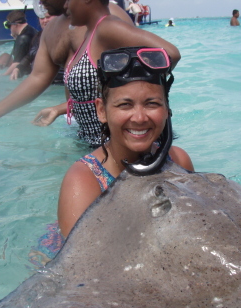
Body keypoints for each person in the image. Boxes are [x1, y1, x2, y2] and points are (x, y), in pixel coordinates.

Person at [58, 47, 194, 237]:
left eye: (152, 103)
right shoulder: (83, 180)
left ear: (167, 109)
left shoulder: (179, 160)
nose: (139, 118)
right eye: (125, 105)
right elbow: (75, 261)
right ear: (102, 111)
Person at [0, 1, 133, 133]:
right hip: (83, 131)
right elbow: (38, 77)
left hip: (122, 133)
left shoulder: (107, 17)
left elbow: (141, 74)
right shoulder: (51, 30)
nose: (41, 2)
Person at [60, 0, 181, 146]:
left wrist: (143, 88)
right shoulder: (90, 33)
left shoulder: (107, 28)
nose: (65, 5)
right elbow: (91, 94)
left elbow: (171, 54)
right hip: (98, 146)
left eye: (67, 0)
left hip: (121, 146)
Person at [9, 11, 59, 81]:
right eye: (41, 18)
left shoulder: (64, 36)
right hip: (42, 80)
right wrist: (18, 68)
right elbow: (29, 56)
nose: (45, 20)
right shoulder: (38, 37)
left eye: (48, 17)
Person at [0, 10, 38, 75]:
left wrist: (3, 75)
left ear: (15, 25)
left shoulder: (22, 39)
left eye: (9, 26)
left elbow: (17, 63)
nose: (9, 29)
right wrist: (16, 37)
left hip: (30, 73)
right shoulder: (31, 30)